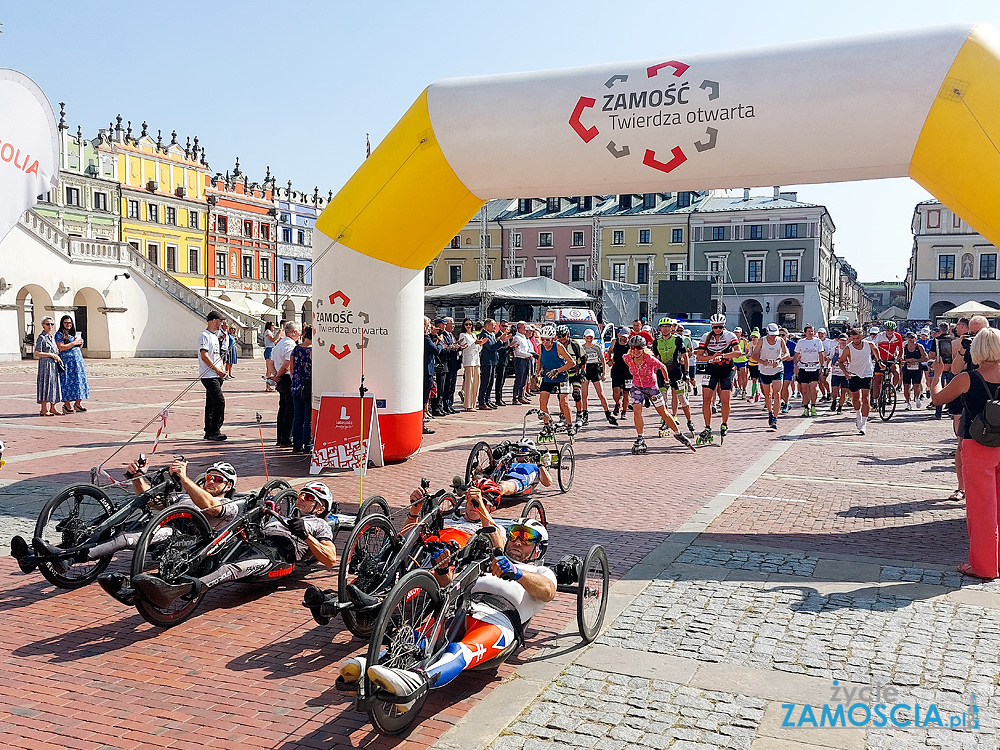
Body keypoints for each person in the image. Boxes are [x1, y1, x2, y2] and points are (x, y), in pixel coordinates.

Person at [347, 490, 555, 700]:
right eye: (514, 535)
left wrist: (517, 573)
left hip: (498, 622)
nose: (518, 541)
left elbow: (547, 591)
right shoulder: (487, 561)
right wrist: (442, 570)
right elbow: (450, 587)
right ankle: (369, 662)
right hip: (460, 608)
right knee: (416, 639)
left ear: (538, 549)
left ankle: (419, 681)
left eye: (527, 538)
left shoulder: (540, 573)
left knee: (461, 651)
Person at [132, 481, 339, 608]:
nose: (301, 499)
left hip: (275, 555)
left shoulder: (320, 524)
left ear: (320, 508)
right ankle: (147, 583)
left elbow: (329, 559)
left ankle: (179, 591)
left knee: (231, 568)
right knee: (209, 552)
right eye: (301, 494)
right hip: (252, 541)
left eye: (308, 497)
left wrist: (306, 536)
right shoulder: (281, 516)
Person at [92, 459, 244, 602]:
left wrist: (184, 479)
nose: (211, 481)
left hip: (191, 547)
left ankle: (130, 586)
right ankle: (78, 553)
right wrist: (137, 477)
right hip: (167, 534)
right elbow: (153, 501)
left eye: (218, 480)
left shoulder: (231, 505)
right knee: (120, 533)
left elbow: (210, 506)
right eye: (210, 477)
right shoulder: (186, 497)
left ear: (228, 486)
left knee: (125, 539)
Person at [931, 326, 1000, 579]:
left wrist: (937, 376)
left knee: (981, 509)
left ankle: (983, 565)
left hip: (977, 444)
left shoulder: (967, 378)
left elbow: (937, 400)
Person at [625, 334, 694, 453]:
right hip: (637, 387)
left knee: (663, 412)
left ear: (643, 348)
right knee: (636, 411)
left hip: (651, 387)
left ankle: (678, 433)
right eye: (633, 348)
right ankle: (640, 437)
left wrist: (666, 381)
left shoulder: (649, 358)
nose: (635, 351)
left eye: (638, 348)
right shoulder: (627, 358)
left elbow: (663, 367)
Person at [946, 316, 989, 502]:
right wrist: (963, 350)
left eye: (978, 332)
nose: (974, 336)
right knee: (962, 444)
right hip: (971, 403)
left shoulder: (994, 345)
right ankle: (961, 488)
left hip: (993, 402)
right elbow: (955, 370)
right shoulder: (967, 346)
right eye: (971, 332)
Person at [696, 313, 739, 444]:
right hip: (712, 369)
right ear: (711, 327)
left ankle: (724, 423)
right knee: (706, 399)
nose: (717, 330)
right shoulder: (706, 337)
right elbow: (699, 356)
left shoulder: (729, 336)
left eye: (720, 327)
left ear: (723, 326)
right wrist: (711, 357)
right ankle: (707, 426)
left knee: (725, 400)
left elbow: (738, 352)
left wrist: (724, 355)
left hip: (726, 370)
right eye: (715, 327)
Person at [651, 318, 694, 437]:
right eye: (662, 326)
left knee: (682, 398)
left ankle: (689, 421)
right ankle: (666, 421)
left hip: (676, 372)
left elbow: (685, 357)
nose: (665, 328)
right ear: (659, 328)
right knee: (663, 400)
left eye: (667, 326)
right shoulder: (656, 341)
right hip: (662, 373)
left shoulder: (678, 340)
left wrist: (686, 372)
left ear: (671, 328)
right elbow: (655, 358)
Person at [837, 327, 880, 435]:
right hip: (853, 374)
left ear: (861, 336)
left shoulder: (868, 344)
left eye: (857, 338)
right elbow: (841, 362)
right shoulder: (848, 348)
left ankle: (864, 424)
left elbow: (875, 349)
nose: (856, 341)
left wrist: (879, 361)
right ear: (850, 338)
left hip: (867, 373)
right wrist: (846, 373)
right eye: (853, 338)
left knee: (865, 397)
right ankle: (858, 416)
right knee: (856, 398)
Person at [535, 325, 576, 431]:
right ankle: (547, 423)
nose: (544, 342)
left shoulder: (558, 346)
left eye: (547, 340)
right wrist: (537, 374)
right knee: (542, 401)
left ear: (553, 339)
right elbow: (540, 360)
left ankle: (570, 425)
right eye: (542, 339)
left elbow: (572, 362)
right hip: (548, 376)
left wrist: (557, 370)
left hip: (561, 376)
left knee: (564, 402)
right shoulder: (540, 347)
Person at [750, 323, 790, 430]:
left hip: (777, 369)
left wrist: (779, 360)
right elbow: (754, 355)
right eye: (772, 334)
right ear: (767, 332)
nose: (773, 336)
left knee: (777, 394)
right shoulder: (762, 341)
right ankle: (770, 412)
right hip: (764, 370)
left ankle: (775, 419)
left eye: (775, 334)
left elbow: (787, 353)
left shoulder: (780, 341)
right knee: (768, 395)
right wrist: (762, 361)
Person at [199, 311, 227, 440]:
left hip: (216, 374)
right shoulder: (204, 335)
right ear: (213, 321)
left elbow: (217, 355)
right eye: (220, 321)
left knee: (210, 403)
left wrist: (222, 369)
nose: (221, 323)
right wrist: (217, 370)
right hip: (208, 375)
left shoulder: (215, 336)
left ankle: (209, 431)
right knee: (219, 401)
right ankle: (215, 430)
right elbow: (204, 356)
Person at [272, 320, 301, 447]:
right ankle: (286, 437)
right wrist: (277, 376)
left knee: (283, 408)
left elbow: (272, 361)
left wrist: (275, 374)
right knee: (289, 409)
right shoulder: (290, 345)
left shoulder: (280, 343)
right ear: (294, 332)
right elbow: (287, 364)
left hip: (281, 377)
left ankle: (281, 437)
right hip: (286, 377)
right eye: (299, 331)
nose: (300, 334)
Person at [580, 329, 617, 425]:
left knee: (601, 394)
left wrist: (604, 373)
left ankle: (607, 413)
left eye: (591, 338)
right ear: (584, 338)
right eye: (587, 338)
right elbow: (579, 361)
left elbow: (602, 360)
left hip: (595, 370)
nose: (589, 340)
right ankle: (585, 414)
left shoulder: (596, 348)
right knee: (584, 395)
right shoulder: (582, 348)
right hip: (586, 370)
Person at [54, 314, 89, 413]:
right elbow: (61, 347)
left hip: (77, 362)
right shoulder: (60, 334)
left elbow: (76, 347)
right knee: (66, 382)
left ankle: (78, 403)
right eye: (65, 322)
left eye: (69, 322)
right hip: (67, 362)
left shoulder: (74, 334)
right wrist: (73, 343)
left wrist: (80, 343)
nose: (68, 324)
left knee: (79, 381)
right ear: (62, 323)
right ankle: (67, 404)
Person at [555, 325, 586, 427]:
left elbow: (583, 358)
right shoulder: (556, 345)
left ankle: (579, 416)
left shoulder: (574, 344)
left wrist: (582, 371)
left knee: (576, 394)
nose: (561, 338)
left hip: (575, 373)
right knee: (561, 397)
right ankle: (563, 417)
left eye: (563, 335)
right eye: (559, 336)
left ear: (568, 334)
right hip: (563, 374)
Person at [34, 317, 63, 417]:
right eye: (47, 324)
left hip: (53, 364)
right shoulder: (41, 337)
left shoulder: (51, 337)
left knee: (54, 384)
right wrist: (51, 355)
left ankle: (53, 407)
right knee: (45, 385)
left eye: (52, 324)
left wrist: (57, 357)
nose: (50, 326)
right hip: (45, 365)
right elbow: (37, 352)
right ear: (43, 325)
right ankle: (43, 408)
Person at [793, 324, 825, 417]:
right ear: (805, 333)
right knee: (804, 389)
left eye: (812, 331)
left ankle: (813, 406)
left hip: (814, 367)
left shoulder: (818, 341)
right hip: (803, 367)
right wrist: (796, 366)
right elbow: (796, 355)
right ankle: (806, 407)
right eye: (809, 331)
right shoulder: (801, 342)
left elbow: (820, 354)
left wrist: (822, 366)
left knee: (813, 387)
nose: (811, 333)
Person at [290, 325, 313, 454]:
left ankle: (296, 444)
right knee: (307, 417)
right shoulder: (312, 350)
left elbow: (292, 368)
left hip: (297, 385)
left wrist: (295, 381)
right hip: (309, 385)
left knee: (298, 416)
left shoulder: (296, 349)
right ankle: (307, 444)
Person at [478, 319, 509, 410]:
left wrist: (500, 340)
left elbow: (494, 345)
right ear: (487, 326)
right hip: (487, 361)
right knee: (485, 382)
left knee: (490, 382)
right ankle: (482, 401)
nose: (495, 327)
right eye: (493, 325)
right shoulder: (483, 335)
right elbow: (491, 347)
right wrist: (501, 342)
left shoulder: (491, 334)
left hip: (493, 361)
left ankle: (487, 400)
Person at [423, 317, 443, 433]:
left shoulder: (426, 336)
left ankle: (421, 424)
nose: (430, 326)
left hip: (427, 370)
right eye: (428, 324)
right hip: (426, 370)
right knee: (424, 399)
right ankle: (421, 425)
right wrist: (440, 342)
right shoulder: (425, 337)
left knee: (425, 398)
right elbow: (435, 350)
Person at [607, 327, 632, 417]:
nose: (624, 339)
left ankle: (624, 412)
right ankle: (617, 403)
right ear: (620, 335)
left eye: (626, 337)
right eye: (623, 336)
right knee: (616, 391)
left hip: (628, 371)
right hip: (616, 370)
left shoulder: (630, 344)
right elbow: (610, 351)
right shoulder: (615, 342)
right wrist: (610, 359)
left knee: (626, 393)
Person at [458, 318, 481, 412]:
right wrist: (474, 344)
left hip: (476, 360)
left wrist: (480, 344)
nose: (468, 326)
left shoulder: (474, 335)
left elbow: (478, 349)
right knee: (469, 382)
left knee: (476, 382)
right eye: (466, 324)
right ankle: (468, 404)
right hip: (468, 360)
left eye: (470, 324)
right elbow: (465, 348)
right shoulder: (462, 335)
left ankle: (473, 403)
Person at [901, 331, 928, 410]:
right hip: (907, 369)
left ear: (915, 339)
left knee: (916, 385)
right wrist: (907, 361)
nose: (910, 339)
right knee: (906, 386)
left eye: (912, 338)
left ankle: (917, 398)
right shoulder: (904, 347)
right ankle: (908, 403)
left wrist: (915, 360)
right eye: (909, 338)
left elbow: (926, 358)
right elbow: (901, 359)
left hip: (917, 369)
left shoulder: (919, 347)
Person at [511, 322, 535, 405]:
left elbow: (526, 349)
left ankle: (521, 396)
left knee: (524, 379)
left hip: (526, 359)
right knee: (519, 379)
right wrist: (528, 355)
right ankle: (515, 397)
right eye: (524, 328)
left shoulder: (523, 337)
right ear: (520, 328)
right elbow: (518, 352)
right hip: (520, 359)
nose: (526, 330)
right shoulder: (517, 338)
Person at [442, 318, 462, 414]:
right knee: (447, 385)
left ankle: (450, 404)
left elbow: (453, 345)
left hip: (454, 362)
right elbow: (446, 347)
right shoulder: (443, 335)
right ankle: (445, 405)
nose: (453, 326)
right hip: (448, 362)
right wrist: (453, 347)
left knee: (452, 385)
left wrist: (458, 346)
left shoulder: (452, 335)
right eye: (452, 324)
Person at [829, 333, 851, 414]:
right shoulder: (834, 349)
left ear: (847, 341)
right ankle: (834, 400)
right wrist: (825, 367)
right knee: (834, 391)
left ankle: (840, 407)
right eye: (841, 340)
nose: (843, 342)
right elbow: (830, 359)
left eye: (844, 340)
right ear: (838, 340)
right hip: (836, 373)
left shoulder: (849, 349)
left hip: (845, 374)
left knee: (843, 392)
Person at [494, 320, 513, 406]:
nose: (505, 328)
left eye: (506, 326)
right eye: (503, 326)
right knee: (499, 380)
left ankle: (500, 398)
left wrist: (511, 347)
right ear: (500, 326)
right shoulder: (498, 335)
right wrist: (509, 346)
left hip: (506, 360)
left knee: (503, 380)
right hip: (500, 360)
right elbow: (498, 349)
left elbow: (508, 348)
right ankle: (498, 398)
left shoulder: (507, 336)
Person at [779, 328, 796, 414]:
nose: (781, 337)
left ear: (787, 335)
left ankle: (786, 403)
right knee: (780, 388)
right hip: (779, 368)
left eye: (783, 335)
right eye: (779, 335)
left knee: (785, 386)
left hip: (790, 368)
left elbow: (798, 356)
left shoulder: (792, 344)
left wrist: (791, 358)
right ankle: (786, 402)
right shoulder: (776, 344)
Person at [817, 328, 837, 402]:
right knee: (818, 381)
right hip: (817, 364)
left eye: (822, 333)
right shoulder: (816, 341)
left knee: (823, 379)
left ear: (825, 334)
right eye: (819, 333)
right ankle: (823, 395)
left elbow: (833, 352)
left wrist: (829, 358)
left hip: (825, 364)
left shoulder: (829, 342)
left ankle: (828, 392)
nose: (820, 335)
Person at [264, 320, 282, 391]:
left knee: (273, 368)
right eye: (272, 325)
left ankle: (271, 384)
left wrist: (280, 339)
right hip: (268, 350)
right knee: (269, 369)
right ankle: (267, 386)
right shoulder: (267, 332)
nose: (274, 327)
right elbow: (272, 339)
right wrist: (278, 333)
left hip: (272, 349)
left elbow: (275, 342)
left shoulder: (271, 332)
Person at [732, 327, 749, 398]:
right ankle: (737, 388)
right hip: (734, 360)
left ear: (740, 333)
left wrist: (741, 354)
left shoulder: (744, 341)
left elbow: (747, 351)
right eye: (735, 332)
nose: (736, 333)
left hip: (742, 360)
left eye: (738, 332)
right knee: (733, 376)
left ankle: (744, 390)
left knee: (743, 376)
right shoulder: (732, 340)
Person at [746, 329, 761, 403]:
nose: (753, 338)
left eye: (755, 337)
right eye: (752, 337)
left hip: (758, 364)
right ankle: (757, 393)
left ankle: (752, 396)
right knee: (753, 380)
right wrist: (747, 356)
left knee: (755, 379)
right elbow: (746, 354)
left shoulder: (760, 345)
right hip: (751, 363)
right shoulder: (749, 344)